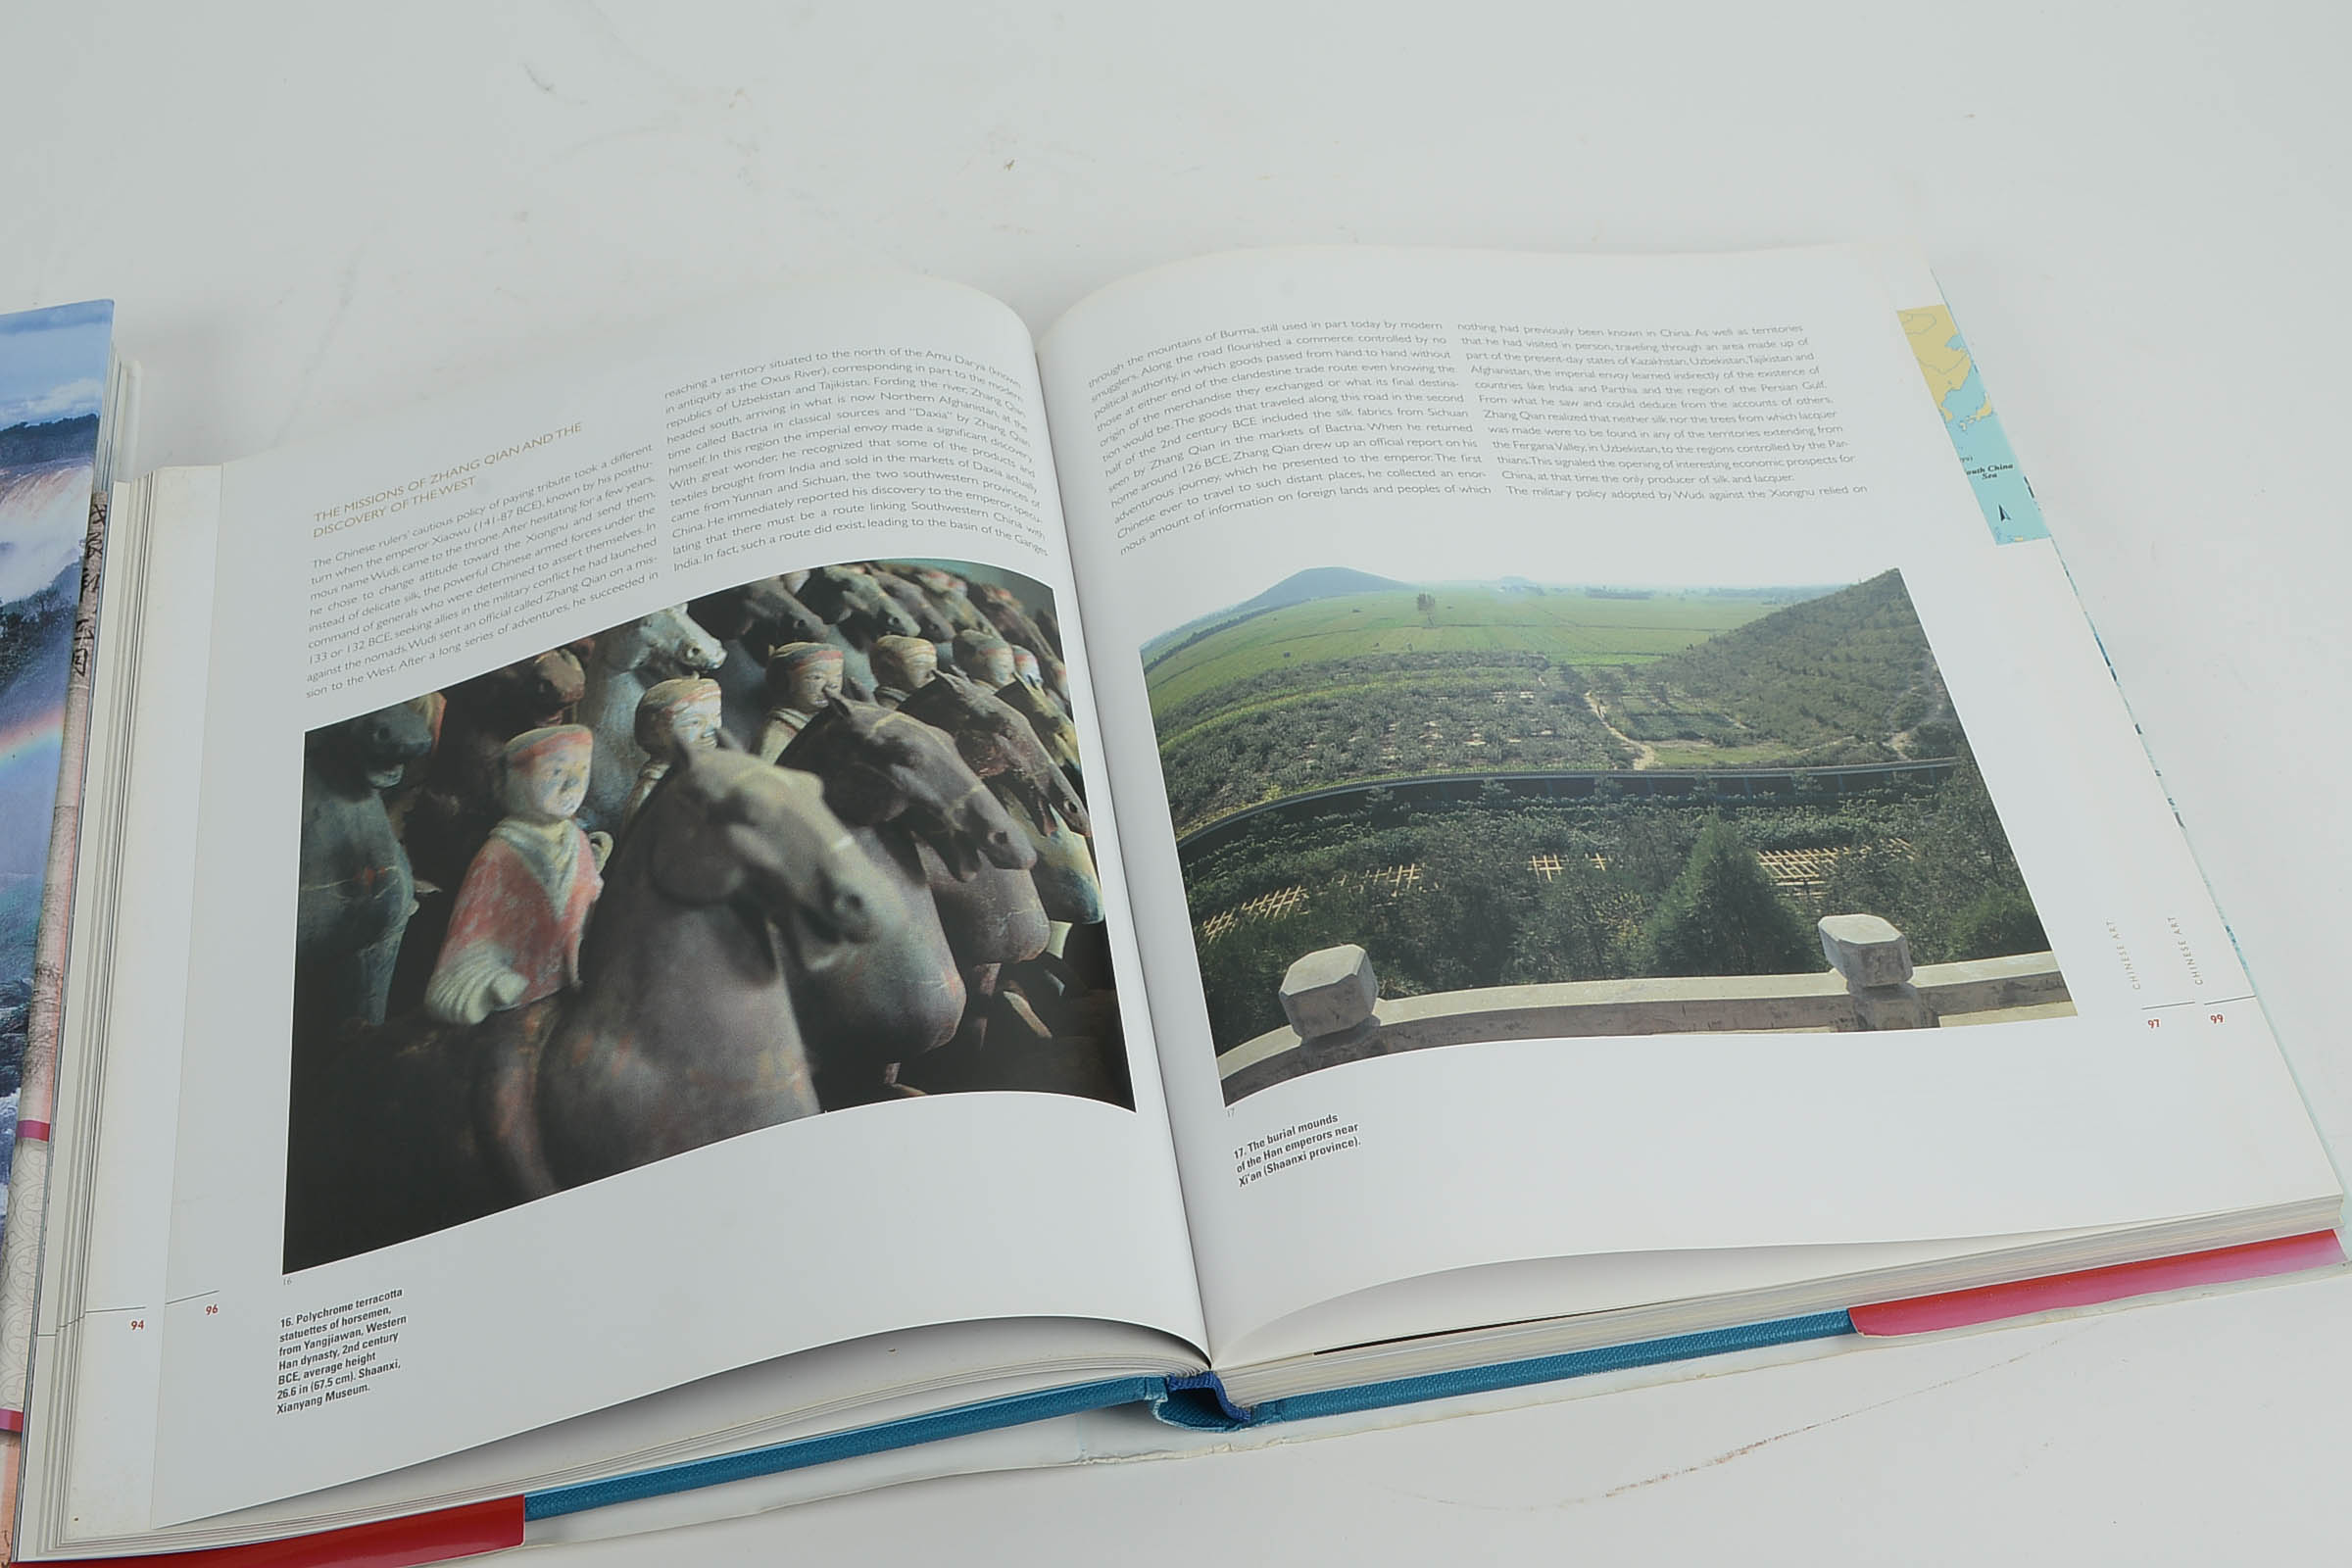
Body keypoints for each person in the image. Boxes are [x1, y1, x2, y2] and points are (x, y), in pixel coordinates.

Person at [423, 725, 605, 1026]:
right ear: (515, 780)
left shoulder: (577, 840)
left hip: (572, 985)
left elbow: (592, 900)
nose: (573, 783)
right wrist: (496, 981)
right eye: (556, 771)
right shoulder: (498, 855)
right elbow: (467, 946)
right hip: (520, 1001)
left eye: (582, 769)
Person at [624, 676, 722, 826]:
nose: (711, 729)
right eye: (694, 722)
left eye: (717, 715)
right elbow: (635, 838)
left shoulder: (710, 772)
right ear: (656, 733)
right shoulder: (650, 793)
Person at [755, 642, 846, 761]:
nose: (832, 684)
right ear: (785, 684)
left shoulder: (832, 720)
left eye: (838, 676)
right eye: (816, 677)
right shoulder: (778, 735)